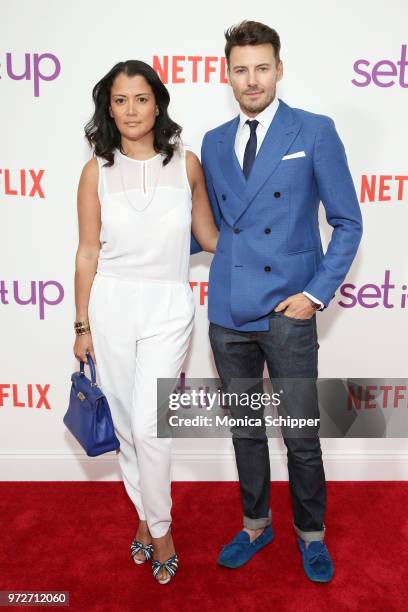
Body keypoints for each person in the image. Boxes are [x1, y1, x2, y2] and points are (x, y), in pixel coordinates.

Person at [197, 20, 363, 582]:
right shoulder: (214, 142)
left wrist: (315, 294)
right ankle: (255, 524)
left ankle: (311, 536)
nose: (252, 79)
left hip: (288, 311)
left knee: (300, 433)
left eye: (262, 67)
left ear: (279, 69)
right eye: (241, 69)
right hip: (228, 312)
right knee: (246, 430)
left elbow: (347, 222)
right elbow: (212, 226)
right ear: (227, 73)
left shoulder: (313, 131)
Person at [73, 60, 218, 585]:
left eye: (140, 98)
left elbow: (211, 237)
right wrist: (81, 325)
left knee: (151, 425)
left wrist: (277, 255)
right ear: (108, 108)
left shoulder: (188, 164)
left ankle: (161, 530)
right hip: (110, 305)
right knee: (128, 429)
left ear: (158, 103)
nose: (131, 110)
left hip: (168, 307)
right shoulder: (96, 170)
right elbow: (88, 251)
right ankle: (144, 517)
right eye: (120, 100)